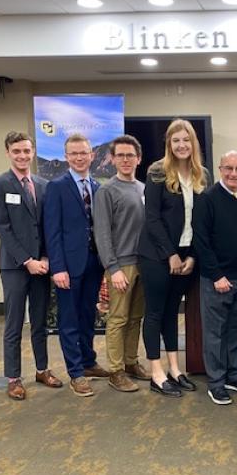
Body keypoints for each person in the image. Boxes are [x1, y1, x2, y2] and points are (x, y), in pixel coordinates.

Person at [0, 131, 63, 400]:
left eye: (26, 151)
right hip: (15, 266)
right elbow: (3, 228)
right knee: (15, 323)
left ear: (33, 152)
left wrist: (45, 259)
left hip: (41, 265)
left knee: (40, 321)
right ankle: (13, 378)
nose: (22, 156)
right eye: (16, 151)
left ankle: (42, 369)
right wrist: (27, 260)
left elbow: (48, 226)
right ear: (8, 152)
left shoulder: (43, 185)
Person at [138, 119, 206, 398]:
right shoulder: (157, 172)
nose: (181, 145)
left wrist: (192, 257)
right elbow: (152, 219)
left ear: (193, 144)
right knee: (154, 313)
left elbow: (202, 220)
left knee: (171, 313)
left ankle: (175, 369)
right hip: (156, 256)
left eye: (186, 140)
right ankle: (156, 372)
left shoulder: (202, 175)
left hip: (187, 256)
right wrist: (171, 255)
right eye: (175, 140)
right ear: (169, 144)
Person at [43, 133, 110, 397]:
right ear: (66, 157)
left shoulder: (96, 187)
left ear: (92, 155)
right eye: (74, 154)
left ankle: (88, 361)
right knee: (69, 319)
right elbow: (52, 231)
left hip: (94, 262)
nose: (79, 158)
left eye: (84, 153)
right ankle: (76, 372)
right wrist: (57, 268)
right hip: (68, 266)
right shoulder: (57, 187)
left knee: (87, 315)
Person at [193, 150, 237, 405]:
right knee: (215, 333)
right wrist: (217, 275)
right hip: (216, 280)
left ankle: (234, 376)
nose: (234, 174)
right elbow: (202, 241)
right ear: (220, 170)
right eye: (228, 168)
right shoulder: (207, 199)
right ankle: (217, 383)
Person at [93, 134, 149, 393]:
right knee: (117, 319)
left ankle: (130, 362)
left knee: (136, 317)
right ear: (112, 159)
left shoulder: (142, 188)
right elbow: (102, 234)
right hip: (120, 266)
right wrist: (113, 268)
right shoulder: (107, 190)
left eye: (130, 155)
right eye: (121, 155)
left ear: (138, 159)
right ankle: (115, 370)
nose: (126, 160)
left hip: (143, 264)